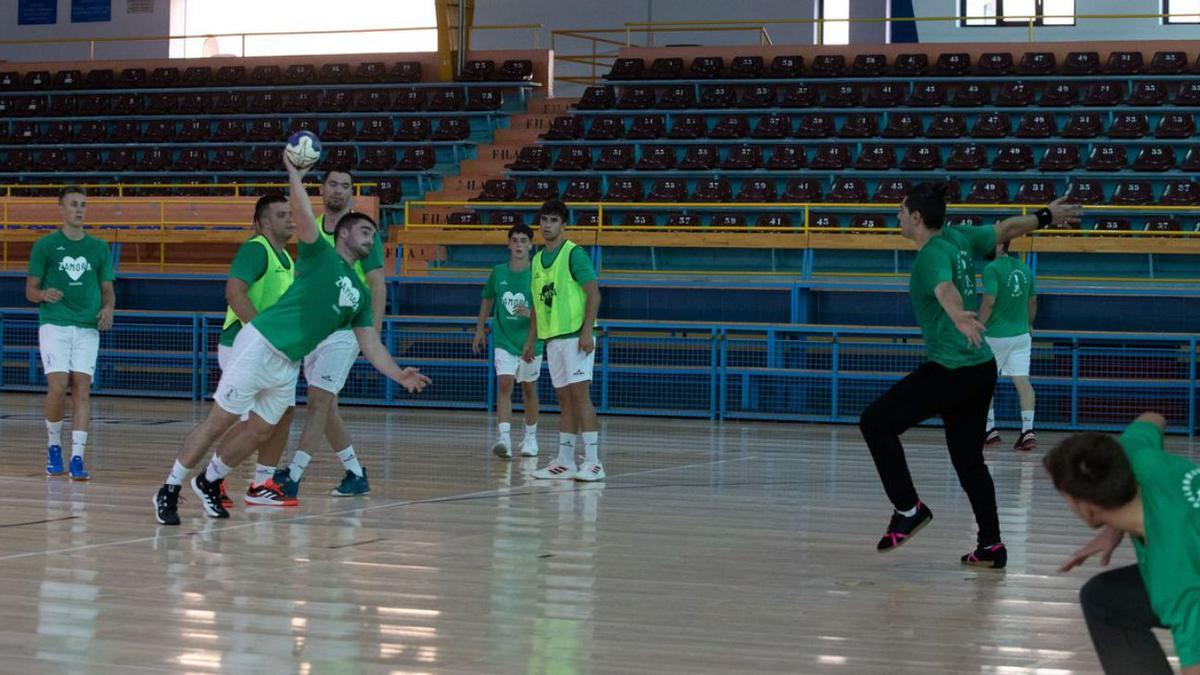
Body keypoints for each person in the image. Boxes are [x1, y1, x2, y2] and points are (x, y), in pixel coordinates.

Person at [152, 154, 430, 525]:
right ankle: (169, 488)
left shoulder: (360, 297)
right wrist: (294, 175)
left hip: (288, 362)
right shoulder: (319, 255)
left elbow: (370, 343)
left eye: (374, 235)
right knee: (220, 420)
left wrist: (399, 374)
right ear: (343, 233)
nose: (371, 238)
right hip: (262, 344)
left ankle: (210, 479)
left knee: (261, 429)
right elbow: (300, 212)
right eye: (365, 231)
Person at [858, 183, 1080, 569]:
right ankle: (991, 544)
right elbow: (1008, 229)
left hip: (951, 370)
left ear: (916, 217)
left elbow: (944, 288)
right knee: (969, 463)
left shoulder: (931, 254)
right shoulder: (961, 236)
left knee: (875, 422)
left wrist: (958, 314)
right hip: (980, 369)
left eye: (900, 210)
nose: (896, 216)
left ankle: (908, 509)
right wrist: (1044, 216)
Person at [1045, 413, 1200, 675]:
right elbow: (1153, 418)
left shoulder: (1176, 574)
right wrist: (1114, 528)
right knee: (1105, 599)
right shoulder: (1133, 456)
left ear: (1089, 509)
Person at [275, 168, 388, 499]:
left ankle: (292, 477)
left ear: (352, 193)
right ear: (322, 189)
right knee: (327, 406)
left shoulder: (362, 232)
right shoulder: (311, 230)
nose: (339, 191)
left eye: (346, 186)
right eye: (334, 184)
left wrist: (373, 335)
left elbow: (378, 282)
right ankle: (355, 473)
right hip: (314, 327)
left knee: (318, 400)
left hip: (347, 328)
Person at [26, 185, 115, 481]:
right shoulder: (45, 246)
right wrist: (43, 294)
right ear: (61, 209)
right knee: (57, 385)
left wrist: (108, 309)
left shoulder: (99, 247)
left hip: (87, 326)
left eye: (83, 205)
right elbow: (30, 291)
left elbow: (107, 290)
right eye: (74, 204)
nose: (79, 209)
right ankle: (54, 448)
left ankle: (77, 456)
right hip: (55, 322)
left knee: (82, 388)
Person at [216, 193, 298, 507]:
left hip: (274, 350)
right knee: (240, 419)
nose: (290, 219)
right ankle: (215, 478)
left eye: (291, 214)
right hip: (245, 345)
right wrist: (260, 334)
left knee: (283, 413)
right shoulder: (255, 249)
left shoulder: (287, 258)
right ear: (264, 222)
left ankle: (262, 483)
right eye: (281, 215)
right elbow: (234, 292)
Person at [522, 199, 604, 481]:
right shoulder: (535, 260)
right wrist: (531, 340)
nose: (547, 225)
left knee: (580, 395)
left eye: (553, 220)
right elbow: (536, 305)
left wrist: (586, 331)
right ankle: (565, 460)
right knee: (564, 399)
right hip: (552, 339)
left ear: (563, 224)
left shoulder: (574, 254)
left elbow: (594, 294)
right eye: (544, 220)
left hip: (575, 337)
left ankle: (593, 461)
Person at [473, 222, 542, 459]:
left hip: (531, 340)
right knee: (504, 383)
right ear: (508, 244)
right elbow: (486, 298)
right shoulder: (499, 271)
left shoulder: (538, 273)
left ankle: (531, 438)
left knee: (529, 388)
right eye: (515, 240)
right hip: (503, 338)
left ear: (531, 245)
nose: (519, 245)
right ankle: (504, 438)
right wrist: (480, 328)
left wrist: (530, 317)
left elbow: (544, 308)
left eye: (524, 241)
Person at [980, 240, 1038, 451]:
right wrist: (1029, 324)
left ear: (999, 246)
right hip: (1022, 334)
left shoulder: (991, 268)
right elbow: (1032, 302)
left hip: (996, 335)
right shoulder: (1024, 268)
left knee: (985, 383)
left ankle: (989, 430)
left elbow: (989, 302)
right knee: (1023, 383)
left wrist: (978, 325)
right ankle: (1028, 431)